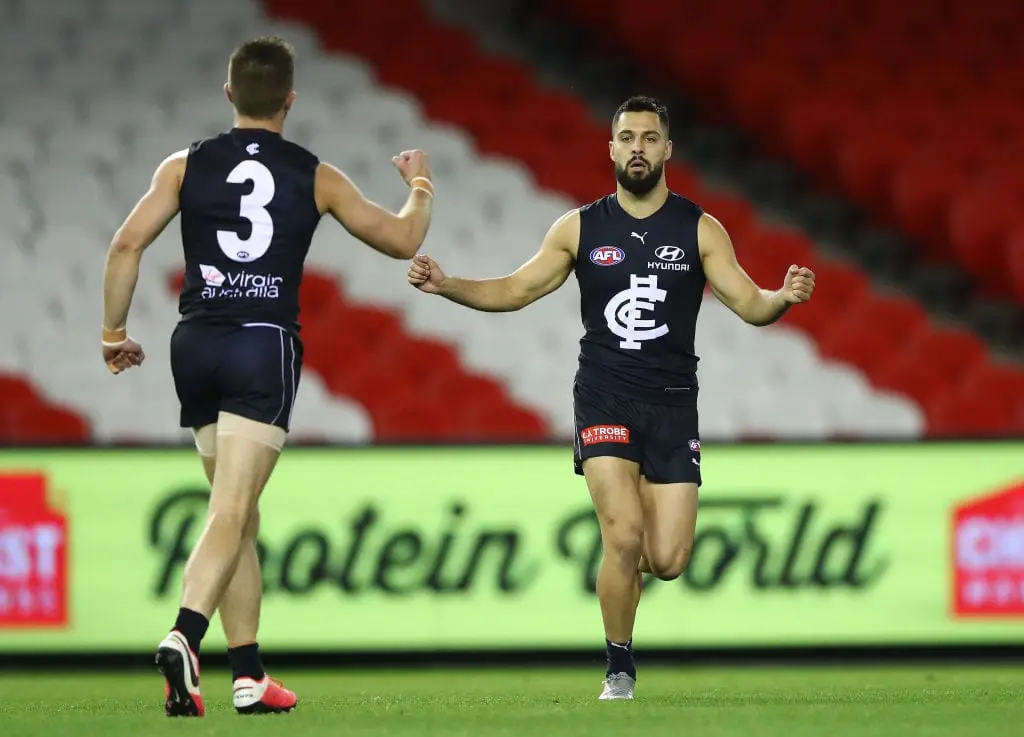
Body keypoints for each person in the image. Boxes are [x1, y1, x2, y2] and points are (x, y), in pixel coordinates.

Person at [407, 95, 814, 701]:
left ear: (667, 148)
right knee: (622, 537)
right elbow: (516, 290)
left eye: (649, 138)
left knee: (668, 559)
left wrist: (782, 297)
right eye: (627, 138)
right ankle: (619, 667)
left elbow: (751, 305)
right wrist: (447, 285)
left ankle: (630, 567)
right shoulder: (579, 227)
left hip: (672, 404)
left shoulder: (699, 229)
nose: (637, 149)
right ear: (611, 148)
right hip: (604, 397)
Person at [100, 36, 434, 717]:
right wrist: (420, 186)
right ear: (290, 100)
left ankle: (249, 675)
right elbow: (403, 239)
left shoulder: (183, 165)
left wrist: (113, 334)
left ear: (229, 94)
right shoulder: (315, 175)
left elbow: (127, 243)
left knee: (238, 514)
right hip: (261, 343)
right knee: (231, 510)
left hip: (195, 343)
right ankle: (184, 635)